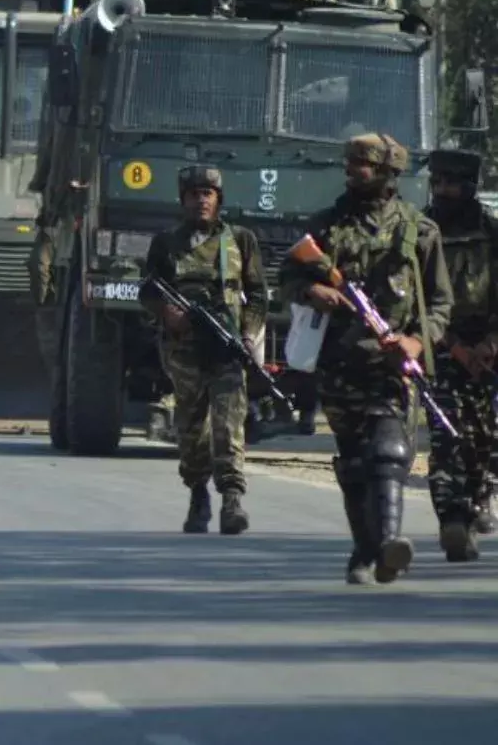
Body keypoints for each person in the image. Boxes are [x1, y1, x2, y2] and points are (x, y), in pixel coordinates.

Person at [280, 133, 453, 585]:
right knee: (354, 462)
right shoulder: (327, 226)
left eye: (366, 164)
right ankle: (365, 548)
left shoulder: (420, 231)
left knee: (390, 450)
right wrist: (310, 291)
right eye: (352, 163)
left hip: (393, 367)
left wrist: (416, 343)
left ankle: (391, 543)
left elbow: (439, 306)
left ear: (389, 173)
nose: (355, 171)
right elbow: (289, 274)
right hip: (339, 362)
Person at [140, 166, 266, 535]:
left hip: (227, 349)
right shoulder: (166, 243)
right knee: (191, 430)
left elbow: (258, 294)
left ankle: (232, 500)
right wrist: (168, 312)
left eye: (208, 193)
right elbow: (147, 289)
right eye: (194, 193)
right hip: (185, 353)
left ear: (219, 199)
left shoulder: (240, 240)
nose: (201, 199)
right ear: (183, 200)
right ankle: (198, 494)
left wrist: (248, 334)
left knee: (229, 426)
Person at [423, 149, 498, 560]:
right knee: (445, 432)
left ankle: (475, 498)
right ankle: (452, 518)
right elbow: (414, 298)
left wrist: (490, 343)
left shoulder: (491, 233)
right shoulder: (418, 231)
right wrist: (451, 344)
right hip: (438, 347)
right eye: (437, 183)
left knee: (482, 437)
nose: (443, 191)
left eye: (453, 183)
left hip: (487, 351)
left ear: (470, 187)